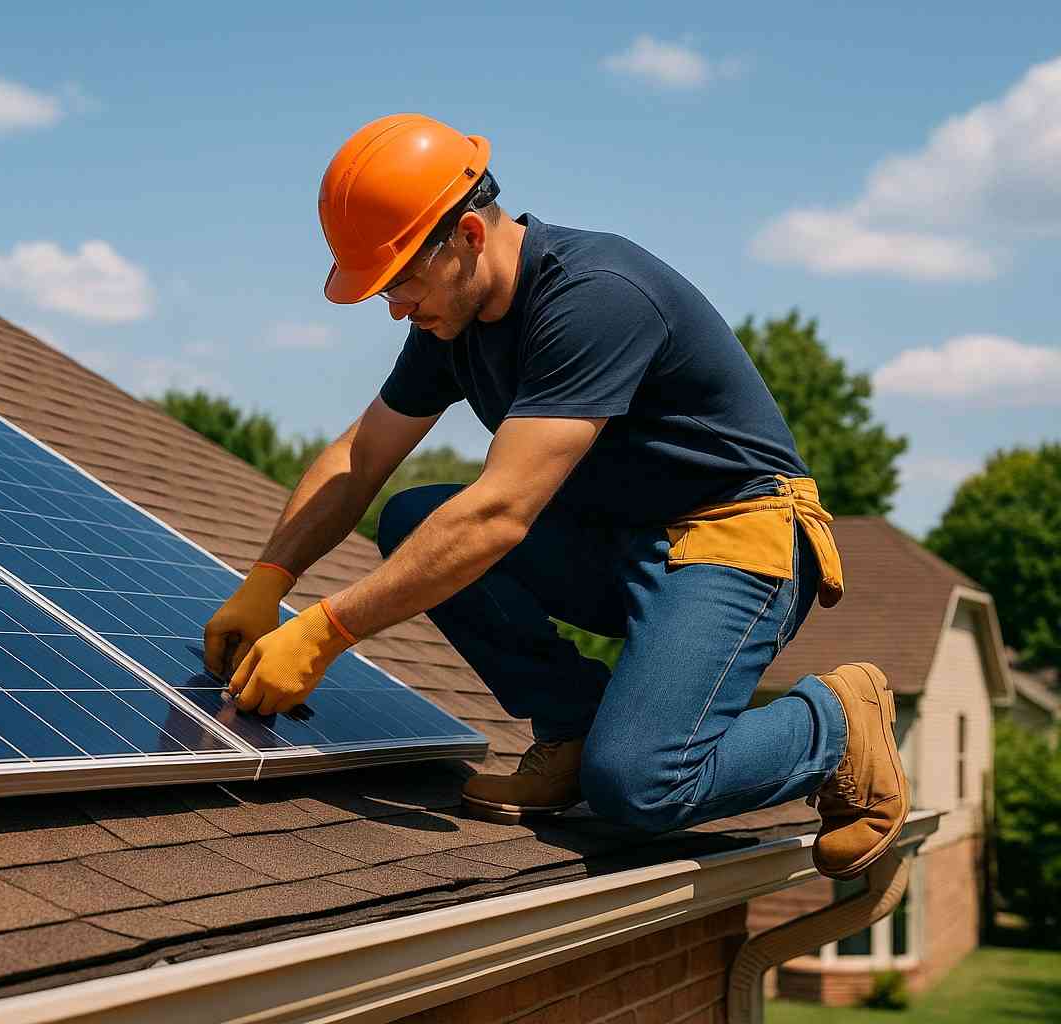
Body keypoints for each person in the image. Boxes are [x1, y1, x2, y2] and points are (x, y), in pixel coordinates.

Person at [202, 114, 908, 879]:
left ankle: (836, 725)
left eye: (402, 280)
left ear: (469, 235)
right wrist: (268, 580)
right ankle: (571, 731)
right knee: (412, 519)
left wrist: (326, 630)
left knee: (641, 785)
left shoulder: (595, 298)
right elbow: (360, 455)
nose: (395, 306)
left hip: (735, 539)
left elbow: (500, 515)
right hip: (621, 541)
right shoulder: (453, 322)